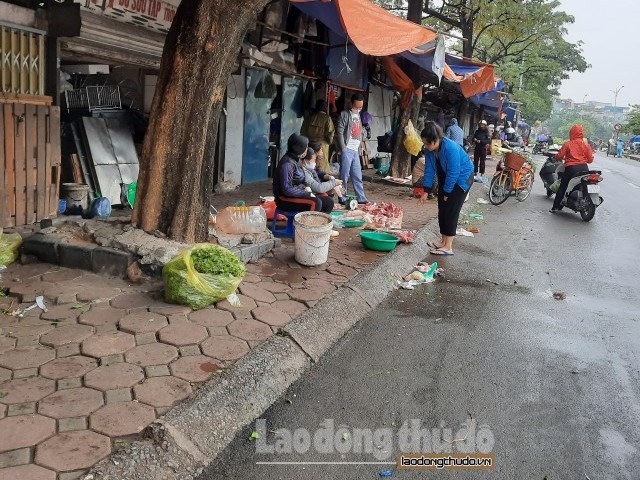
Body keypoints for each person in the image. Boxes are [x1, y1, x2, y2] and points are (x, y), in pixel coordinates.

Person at [418, 121, 475, 256]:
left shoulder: (451, 148)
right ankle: (443, 242)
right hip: (446, 178)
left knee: (450, 210)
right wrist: (426, 190)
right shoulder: (430, 150)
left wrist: (447, 192)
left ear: (435, 139)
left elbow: (454, 172)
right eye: (424, 143)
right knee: (442, 209)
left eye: (427, 143)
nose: (425, 146)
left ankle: (448, 246)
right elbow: (429, 170)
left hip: (462, 179)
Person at [273, 133, 333, 213]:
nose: (306, 149)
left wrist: (307, 188)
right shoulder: (287, 163)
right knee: (315, 203)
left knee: (328, 202)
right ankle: (307, 225)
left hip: (297, 194)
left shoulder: (296, 160)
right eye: (306, 147)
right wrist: (306, 194)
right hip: (284, 199)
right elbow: (287, 189)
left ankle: (320, 224)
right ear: (299, 148)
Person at [550, 124, 594, 213]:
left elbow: (560, 156)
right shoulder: (586, 145)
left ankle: (556, 207)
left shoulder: (568, 144)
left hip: (571, 168)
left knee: (563, 186)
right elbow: (590, 159)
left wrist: (556, 157)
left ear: (571, 133)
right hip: (584, 168)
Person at [336, 93, 369, 204]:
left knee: (357, 175)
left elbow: (359, 131)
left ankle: (361, 198)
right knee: (343, 176)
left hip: (355, 150)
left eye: (360, 107)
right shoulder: (344, 114)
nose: (359, 109)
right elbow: (339, 132)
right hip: (347, 149)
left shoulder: (358, 115)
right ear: (351, 104)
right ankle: (342, 197)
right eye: (357, 107)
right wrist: (343, 148)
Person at [300, 99, 335, 173]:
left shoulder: (309, 117)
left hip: (309, 144)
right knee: (322, 166)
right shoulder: (327, 118)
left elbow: (302, 132)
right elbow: (330, 133)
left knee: (309, 164)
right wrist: (329, 142)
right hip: (322, 146)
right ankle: (320, 181)